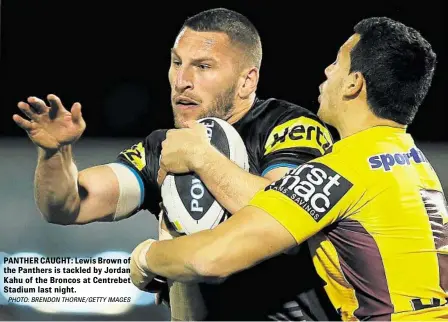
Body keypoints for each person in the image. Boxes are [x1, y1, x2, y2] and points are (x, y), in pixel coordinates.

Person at [13, 7, 338, 322]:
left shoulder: (289, 127)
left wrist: (201, 159)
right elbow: (67, 207)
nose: (182, 80)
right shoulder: (164, 147)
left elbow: (290, 212)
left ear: (246, 81)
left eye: (203, 66)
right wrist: (55, 155)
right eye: (176, 62)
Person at [130, 16, 448, 321]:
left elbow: (212, 257)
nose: (327, 70)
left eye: (337, 62)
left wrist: (148, 258)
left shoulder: (340, 170)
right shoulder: (413, 161)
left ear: (353, 84)